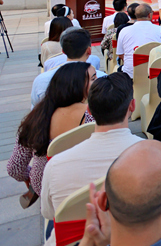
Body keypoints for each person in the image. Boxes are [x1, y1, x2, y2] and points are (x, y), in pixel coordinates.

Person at [39, 73, 143, 246]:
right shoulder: (152, 157)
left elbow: (49, 213)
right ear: (131, 107)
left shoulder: (57, 164)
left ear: (89, 111)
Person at [9, 63, 96, 206]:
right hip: (84, 187)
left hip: (46, 187)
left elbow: (14, 167)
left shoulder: (36, 118)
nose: (97, 82)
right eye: (93, 79)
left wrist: (29, 176)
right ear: (77, 85)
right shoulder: (91, 116)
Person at [116, 4, 161, 78]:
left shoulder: (124, 31)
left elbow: (120, 54)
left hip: (131, 74)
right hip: (155, 73)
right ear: (149, 15)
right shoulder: (160, 30)